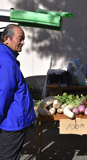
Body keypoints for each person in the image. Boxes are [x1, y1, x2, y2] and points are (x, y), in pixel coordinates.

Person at [0, 24, 36, 160]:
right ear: (7, 39)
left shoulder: (5, 56)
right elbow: (4, 93)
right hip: (12, 122)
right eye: (20, 39)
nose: (23, 42)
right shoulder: (7, 60)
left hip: (11, 120)